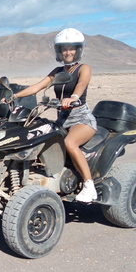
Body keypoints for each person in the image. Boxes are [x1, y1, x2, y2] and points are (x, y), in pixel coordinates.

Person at [8, 28, 98, 203]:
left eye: (72, 48)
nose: (68, 52)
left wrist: (73, 97)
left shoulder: (83, 68)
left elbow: (82, 84)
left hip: (82, 119)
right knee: (39, 136)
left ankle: (89, 186)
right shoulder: (57, 71)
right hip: (63, 120)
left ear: (78, 49)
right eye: (64, 49)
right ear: (59, 51)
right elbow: (37, 87)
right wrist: (15, 95)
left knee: (69, 143)